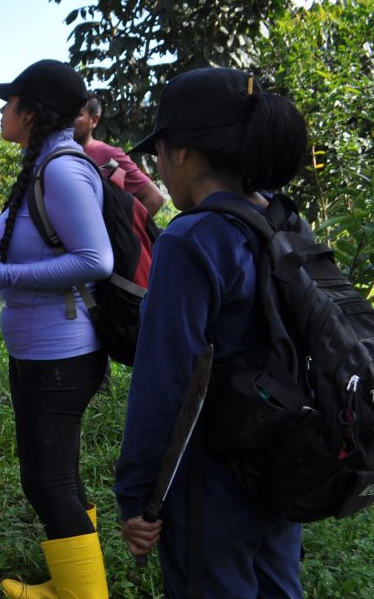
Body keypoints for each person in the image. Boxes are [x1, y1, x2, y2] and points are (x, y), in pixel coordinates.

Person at [114, 68, 309, 598]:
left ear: (181, 154)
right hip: (281, 458)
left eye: (158, 155)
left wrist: (138, 497)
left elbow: (165, 381)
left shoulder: (192, 239)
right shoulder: (286, 223)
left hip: (212, 480)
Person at [0, 59, 113, 598]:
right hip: (39, 349)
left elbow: (95, 260)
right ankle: (75, 580)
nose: (2, 110)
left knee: (46, 481)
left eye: (9, 102)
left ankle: (82, 595)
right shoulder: (41, 163)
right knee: (61, 473)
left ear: (30, 112)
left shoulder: (62, 169)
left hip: (62, 354)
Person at [73, 94, 166, 216]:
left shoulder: (110, 157)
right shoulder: (54, 152)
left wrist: (123, 232)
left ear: (94, 121)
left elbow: (154, 198)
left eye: (77, 115)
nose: (69, 120)